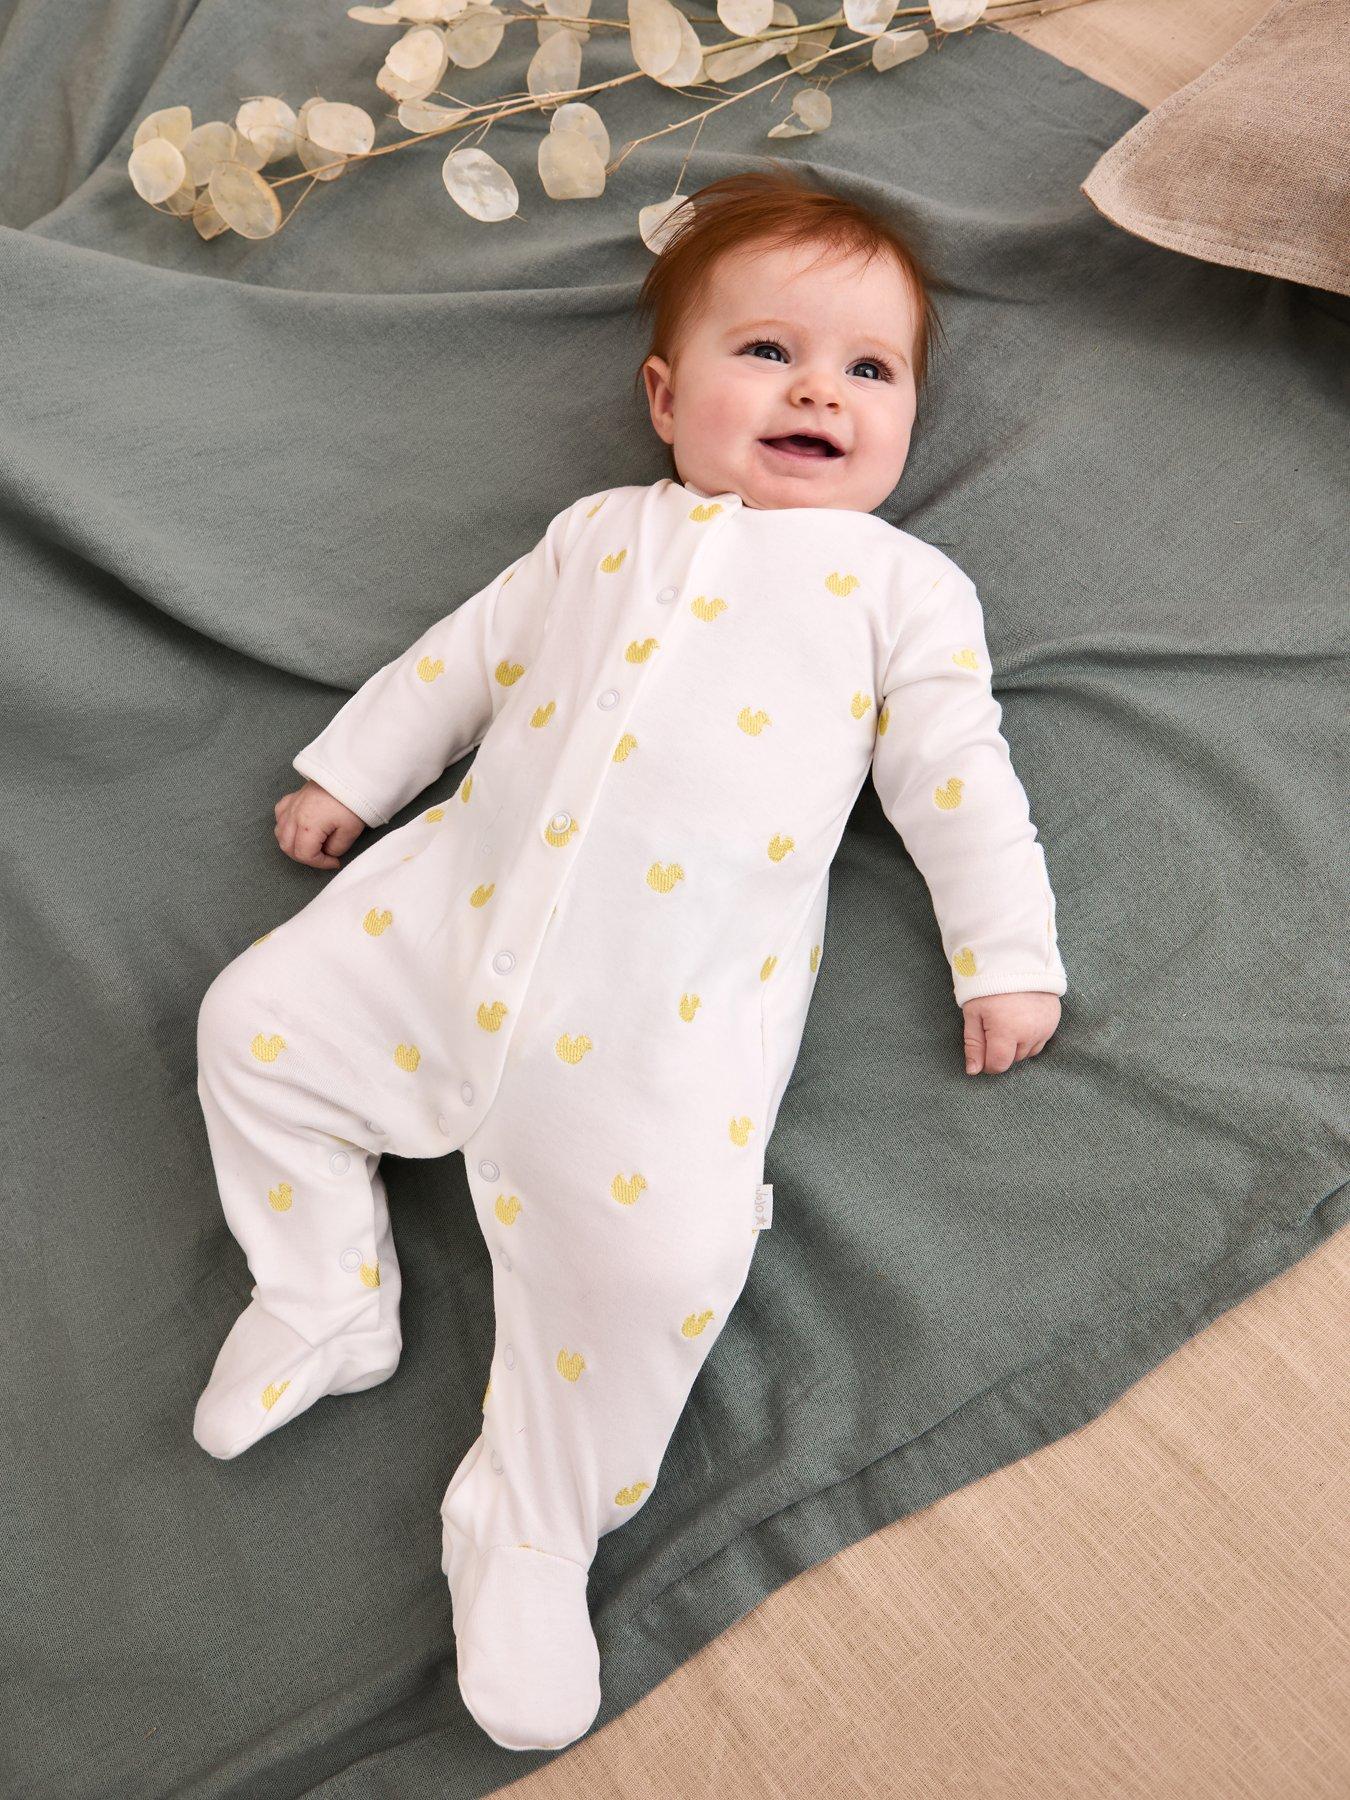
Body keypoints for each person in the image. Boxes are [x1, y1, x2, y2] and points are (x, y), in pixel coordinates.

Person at [190, 164, 1066, 1752]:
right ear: (664, 398)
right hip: (440, 925)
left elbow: (959, 776)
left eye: (868, 369)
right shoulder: (595, 534)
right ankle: (322, 1289)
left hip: (659, 1026)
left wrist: (1001, 954)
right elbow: (462, 661)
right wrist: (353, 775)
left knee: (656, 1271)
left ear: (905, 419)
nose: (818, 390)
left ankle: (529, 1525)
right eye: (767, 352)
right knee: (254, 1026)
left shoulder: (897, 589)